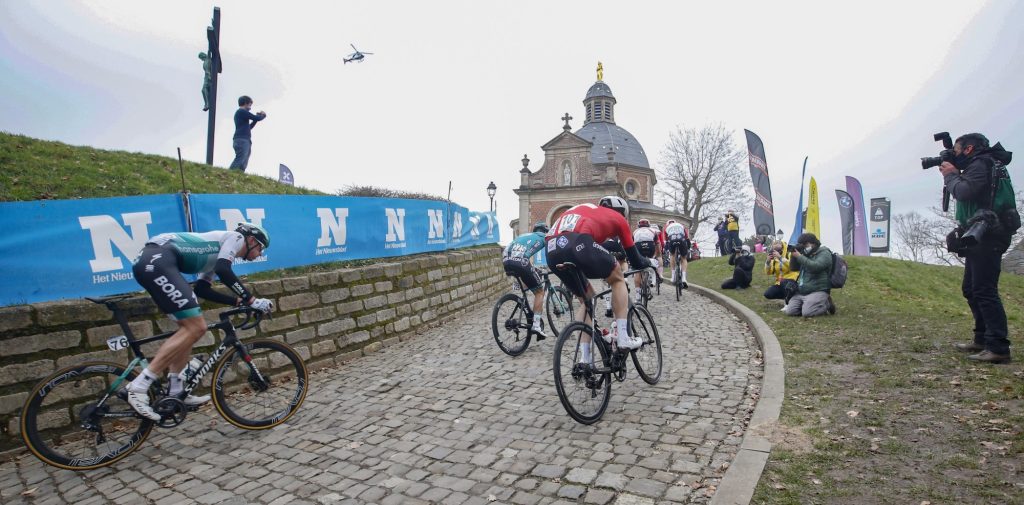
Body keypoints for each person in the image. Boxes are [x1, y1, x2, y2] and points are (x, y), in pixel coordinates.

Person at [126, 224, 275, 420]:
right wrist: (252, 300)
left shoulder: (217, 254)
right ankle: (138, 387)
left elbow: (202, 290)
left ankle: (175, 392)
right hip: (158, 261)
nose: (259, 254)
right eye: (260, 248)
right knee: (197, 327)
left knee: (189, 330)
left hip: (152, 262)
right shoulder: (235, 238)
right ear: (252, 240)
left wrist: (237, 301)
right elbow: (224, 269)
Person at [546, 196, 655, 355]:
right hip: (577, 242)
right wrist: (650, 262)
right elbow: (636, 261)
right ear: (622, 212)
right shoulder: (618, 218)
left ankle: (584, 360)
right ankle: (623, 337)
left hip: (550, 249)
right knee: (617, 278)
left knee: (587, 301)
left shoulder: (585, 210)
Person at [941, 133, 1014, 364]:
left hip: (989, 234)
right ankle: (982, 339)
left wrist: (951, 175)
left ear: (969, 149)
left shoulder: (982, 163)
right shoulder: (985, 164)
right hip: (979, 233)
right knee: (971, 289)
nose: (955, 153)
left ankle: (998, 346)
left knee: (984, 289)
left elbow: (964, 192)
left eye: (957, 149)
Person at [502, 222, 551, 339]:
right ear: (545, 231)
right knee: (539, 292)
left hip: (506, 260)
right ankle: (536, 325)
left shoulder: (524, 236)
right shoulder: (543, 237)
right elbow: (551, 254)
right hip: (521, 261)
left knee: (527, 278)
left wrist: (533, 268)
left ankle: (523, 299)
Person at [784, 233, 835, 317]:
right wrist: (794, 255)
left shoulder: (824, 252)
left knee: (807, 313)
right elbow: (793, 268)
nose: (803, 246)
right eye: (801, 244)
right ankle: (809, 305)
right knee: (790, 311)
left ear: (813, 243)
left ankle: (826, 304)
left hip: (818, 289)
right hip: (802, 291)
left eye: (805, 244)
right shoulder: (805, 253)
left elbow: (815, 267)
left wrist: (800, 256)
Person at [229, 95, 267, 172]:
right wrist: (263, 115)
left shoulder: (242, 113)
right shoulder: (241, 111)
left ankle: (239, 173)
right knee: (241, 157)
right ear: (245, 103)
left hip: (244, 139)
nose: (250, 106)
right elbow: (257, 118)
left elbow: (249, 127)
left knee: (245, 158)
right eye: (250, 104)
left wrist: (256, 118)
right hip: (241, 139)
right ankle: (230, 173)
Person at [631, 219, 661, 304]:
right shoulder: (653, 230)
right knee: (650, 261)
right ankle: (650, 279)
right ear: (648, 225)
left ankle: (637, 296)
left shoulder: (635, 231)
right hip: (650, 246)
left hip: (638, 246)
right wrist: (658, 255)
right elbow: (657, 244)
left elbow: (631, 244)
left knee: (637, 269)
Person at [764, 241, 799, 307]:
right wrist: (768, 262)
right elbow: (768, 272)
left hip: (792, 280)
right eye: (774, 244)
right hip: (780, 282)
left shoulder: (789, 254)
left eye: (778, 243)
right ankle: (788, 297)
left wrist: (780, 258)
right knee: (768, 294)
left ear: (783, 246)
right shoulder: (774, 258)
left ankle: (789, 302)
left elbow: (793, 266)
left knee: (784, 283)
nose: (776, 245)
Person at [663, 219, 690, 288]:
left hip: (672, 239)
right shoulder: (680, 225)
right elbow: (686, 236)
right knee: (683, 258)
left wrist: (665, 249)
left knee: (672, 255)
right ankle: (684, 278)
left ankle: (673, 276)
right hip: (681, 239)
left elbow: (666, 240)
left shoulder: (666, 227)